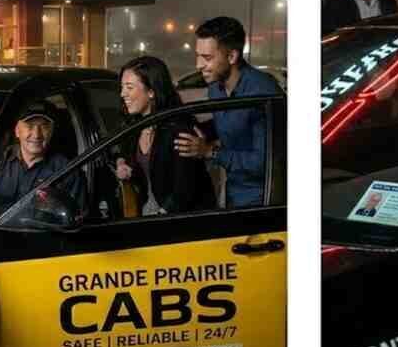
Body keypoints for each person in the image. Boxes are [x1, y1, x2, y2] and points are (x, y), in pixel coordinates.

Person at [174, 16, 284, 208]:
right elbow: (228, 129)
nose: (198, 65)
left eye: (207, 58)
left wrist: (210, 151)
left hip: (264, 199)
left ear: (232, 57)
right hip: (233, 193)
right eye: (198, 56)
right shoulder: (215, 89)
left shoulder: (262, 92)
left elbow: (265, 163)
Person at [115, 55, 215, 215]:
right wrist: (122, 165)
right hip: (146, 213)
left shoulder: (178, 128)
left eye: (129, 87)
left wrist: (161, 217)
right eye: (122, 87)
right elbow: (121, 153)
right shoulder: (133, 126)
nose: (122, 94)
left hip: (179, 221)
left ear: (151, 92)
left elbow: (184, 189)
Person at [0, 100, 84, 219]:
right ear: (17, 131)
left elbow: (75, 218)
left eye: (44, 126)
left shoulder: (68, 171)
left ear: (52, 131)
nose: (36, 134)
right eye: (29, 126)